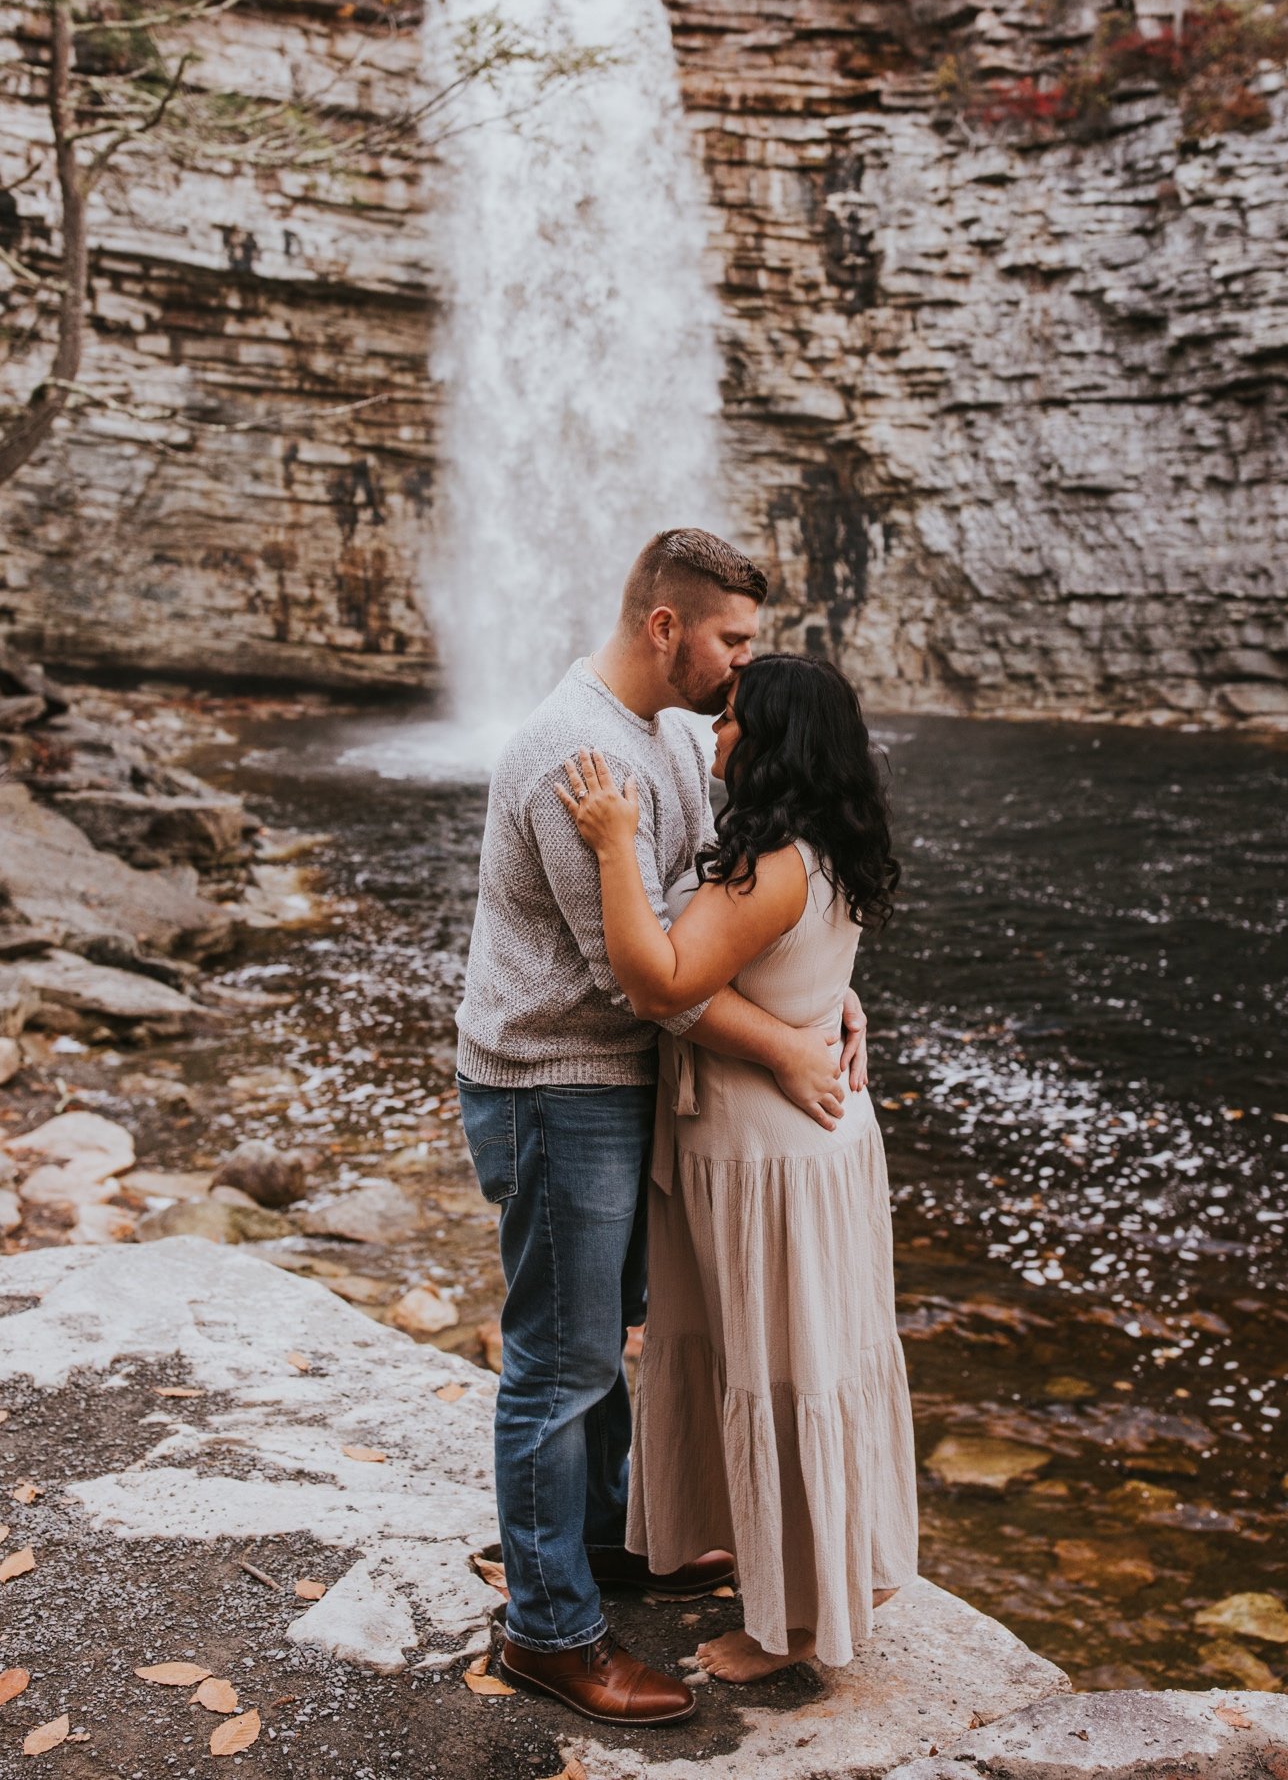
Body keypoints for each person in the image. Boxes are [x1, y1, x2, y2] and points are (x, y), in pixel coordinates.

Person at [456, 529, 867, 1727]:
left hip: (620, 1086)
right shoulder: (572, 755)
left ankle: (606, 1544)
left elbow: (728, 911)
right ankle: (550, 1628)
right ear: (664, 628)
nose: (746, 667)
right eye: (733, 640)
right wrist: (790, 1042)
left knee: (610, 1336)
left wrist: (821, 989)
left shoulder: (676, 735)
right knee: (562, 1358)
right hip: (555, 1085)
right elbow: (658, 980)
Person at [557, 651, 918, 1682]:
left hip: (767, 1161)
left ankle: (794, 1630)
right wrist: (820, 1012)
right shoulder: (828, 845)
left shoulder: (768, 865)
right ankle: (819, 1576)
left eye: (730, 723)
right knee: (811, 1362)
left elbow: (655, 978)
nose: (714, 737)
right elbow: (798, 969)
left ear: (771, 743)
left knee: (781, 1370)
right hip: (809, 1145)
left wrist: (617, 844)